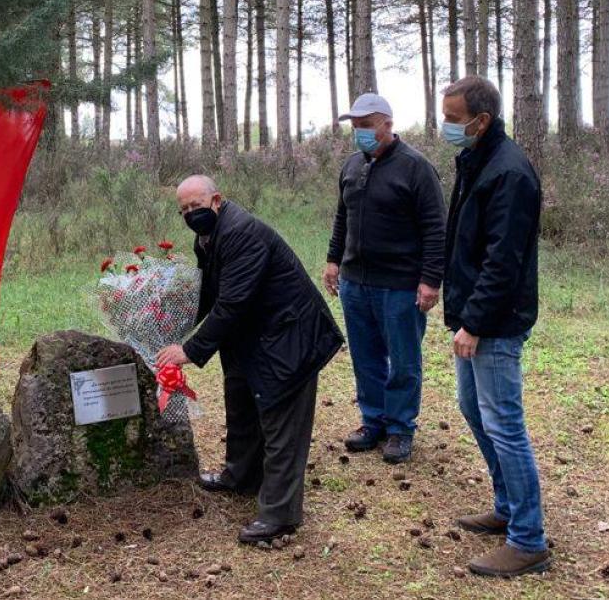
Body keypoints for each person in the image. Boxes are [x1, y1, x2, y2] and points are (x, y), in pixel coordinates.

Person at [156, 175, 343, 545]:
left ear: (217, 200)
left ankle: (280, 514)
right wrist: (172, 325)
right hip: (252, 335)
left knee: (281, 421)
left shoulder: (242, 233)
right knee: (240, 402)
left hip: (288, 336)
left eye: (196, 205)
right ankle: (240, 476)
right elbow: (209, 291)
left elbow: (233, 302)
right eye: (184, 210)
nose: (191, 215)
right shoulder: (208, 236)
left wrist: (190, 351)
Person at [440, 76, 550, 577]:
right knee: (472, 407)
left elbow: (502, 261)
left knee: (504, 425)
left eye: (454, 119)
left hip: (496, 323)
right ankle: (506, 506)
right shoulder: (475, 160)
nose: (446, 127)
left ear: (481, 120)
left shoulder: (510, 172)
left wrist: (476, 323)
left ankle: (528, 539)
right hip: (473, 316)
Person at [324, 93, 445, 464]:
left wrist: (430, 280)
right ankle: (372, 421)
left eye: (366, 125)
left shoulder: (415, 168)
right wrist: (333, 261)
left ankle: (400, 428)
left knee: (403, 359)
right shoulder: (351, 166)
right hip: (355, 282)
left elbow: (436, 229)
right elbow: (342, 218)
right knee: (365, 357)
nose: (359, 132)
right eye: (355, 126)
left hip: (400, 284)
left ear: (387, 125)